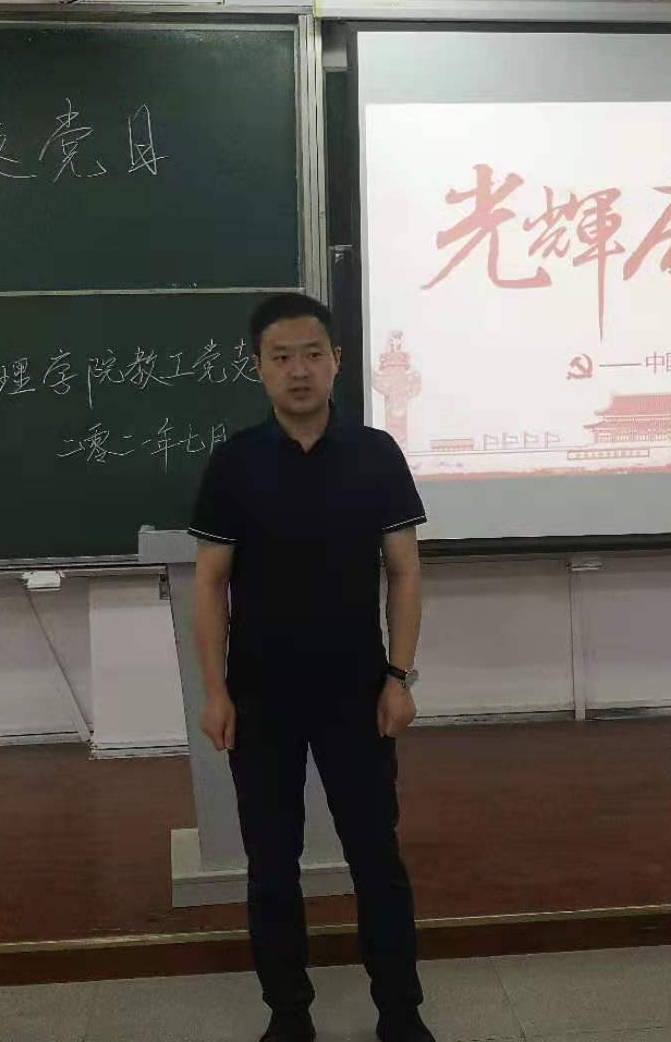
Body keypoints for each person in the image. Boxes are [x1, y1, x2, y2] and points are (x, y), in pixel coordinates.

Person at [189, 294, 436, 1042]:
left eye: (312, 354)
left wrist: (400, 677)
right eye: (281, 357)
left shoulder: (376, 454)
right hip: (260, 697)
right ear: (258, 368)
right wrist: (215, 692)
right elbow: (209, 583)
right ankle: (288, 1014)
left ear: (337, 362)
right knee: (271, 864)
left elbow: (405, 572)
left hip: (358, 692)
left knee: (376, 857)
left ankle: (400, 1012)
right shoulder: (234, 462)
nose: (298, 370)